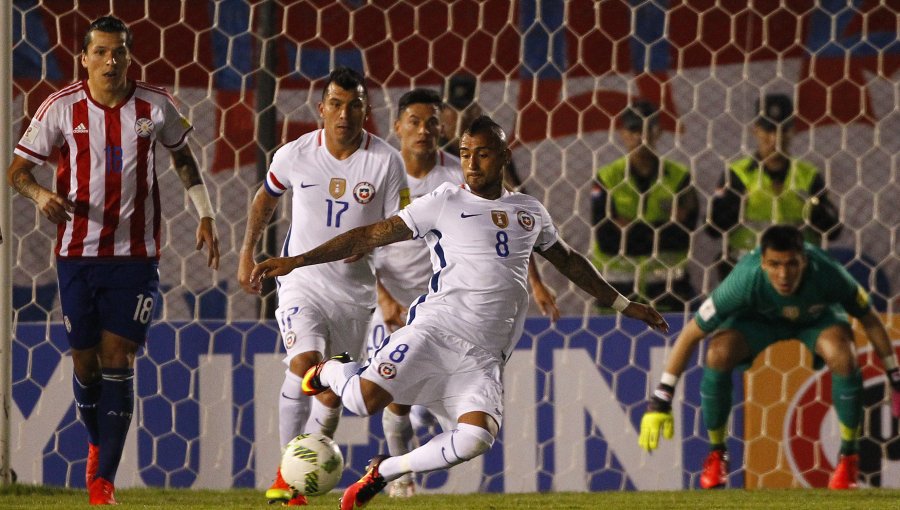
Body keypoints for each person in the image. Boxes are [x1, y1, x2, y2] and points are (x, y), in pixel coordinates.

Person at [251, 115, 669, 510]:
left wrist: (624, 304)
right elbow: (371, 234)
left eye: (483, 153)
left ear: (504, 156)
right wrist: (298, 260)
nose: (471, 162)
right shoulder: (444, 201)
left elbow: (570, 261)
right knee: (360, 402)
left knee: (476, 439)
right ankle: (330, 370)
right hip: (433, 332)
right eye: (466, 153)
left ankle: (386, 471)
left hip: (483, 355)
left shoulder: (529, 211)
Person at [6, 16, 220, 505]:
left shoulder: (155, 104)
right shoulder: (61, 108)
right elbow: (17, 170)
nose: (110, 60)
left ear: (129, 55)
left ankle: (103, 482)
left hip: (136, 255)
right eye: (100, 51)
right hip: (77, 254)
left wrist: (205, 213)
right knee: (85, 362)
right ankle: (99, 442)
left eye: (119, 51)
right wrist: (40, 195)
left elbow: (182, 158)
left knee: (118, 356)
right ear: (84, 58)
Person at [370, 89, 560, 498]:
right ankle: (398, 475)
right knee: (394, 396)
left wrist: (538, 284)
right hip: (392, 298)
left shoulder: (457, 176)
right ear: (397, 126)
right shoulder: (381, 175)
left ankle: (399, 468)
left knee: (430, 403)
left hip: (449, 300)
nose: (424, 130)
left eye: (432, 122)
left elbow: (503, 235)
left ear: (443, 128)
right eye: (415, 122)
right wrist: (383, 296)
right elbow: (362, 240)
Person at [237, 66, 409, 506]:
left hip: (354, 295)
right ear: (321, 109)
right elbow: (266, 196)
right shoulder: (296, 154)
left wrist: (367, 242)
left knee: (330, 394)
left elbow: (399, 226)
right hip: (302, 283)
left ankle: (300, 478)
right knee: (305, 363)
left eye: (354, 105)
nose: (344, 114)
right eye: (335, 104)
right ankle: (285, 475)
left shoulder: (386, 160)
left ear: (365, 111)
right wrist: (247, 252)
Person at [638, 225, 900, 490]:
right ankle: (717, 454)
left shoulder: (828, 273)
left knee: (843, 354)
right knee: (718, 352)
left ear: (804, 259)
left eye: (791, 264)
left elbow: (870, 320)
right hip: (757, 322)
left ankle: (848, 457)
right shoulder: (744, 279)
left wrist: (895, 377)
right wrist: (661, 398)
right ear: (762, 262)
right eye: (774, 264)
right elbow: (690, 334)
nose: (783, 274)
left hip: (816, 320)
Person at [709, 93, 840, 281]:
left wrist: (813, 209)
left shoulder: (808, 175)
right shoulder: (737, 175)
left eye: (783, 129)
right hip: (748, 276)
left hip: (798, 278)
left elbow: (833, 230)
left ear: (793, 130)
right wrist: (736, 206)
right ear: (755, 130)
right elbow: (713, 228)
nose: (775, 137)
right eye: (768, 129)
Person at [591, 100, 699, 311]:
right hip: (617, 293)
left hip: (668, 293)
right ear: (622, 133)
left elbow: (682, 237)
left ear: (658, 132)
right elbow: (606, 239)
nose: (641, 136)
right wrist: (661, 228)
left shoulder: (679, 177)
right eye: (634, 129)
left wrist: (629, 229)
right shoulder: (606, 178)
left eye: (648, 128)